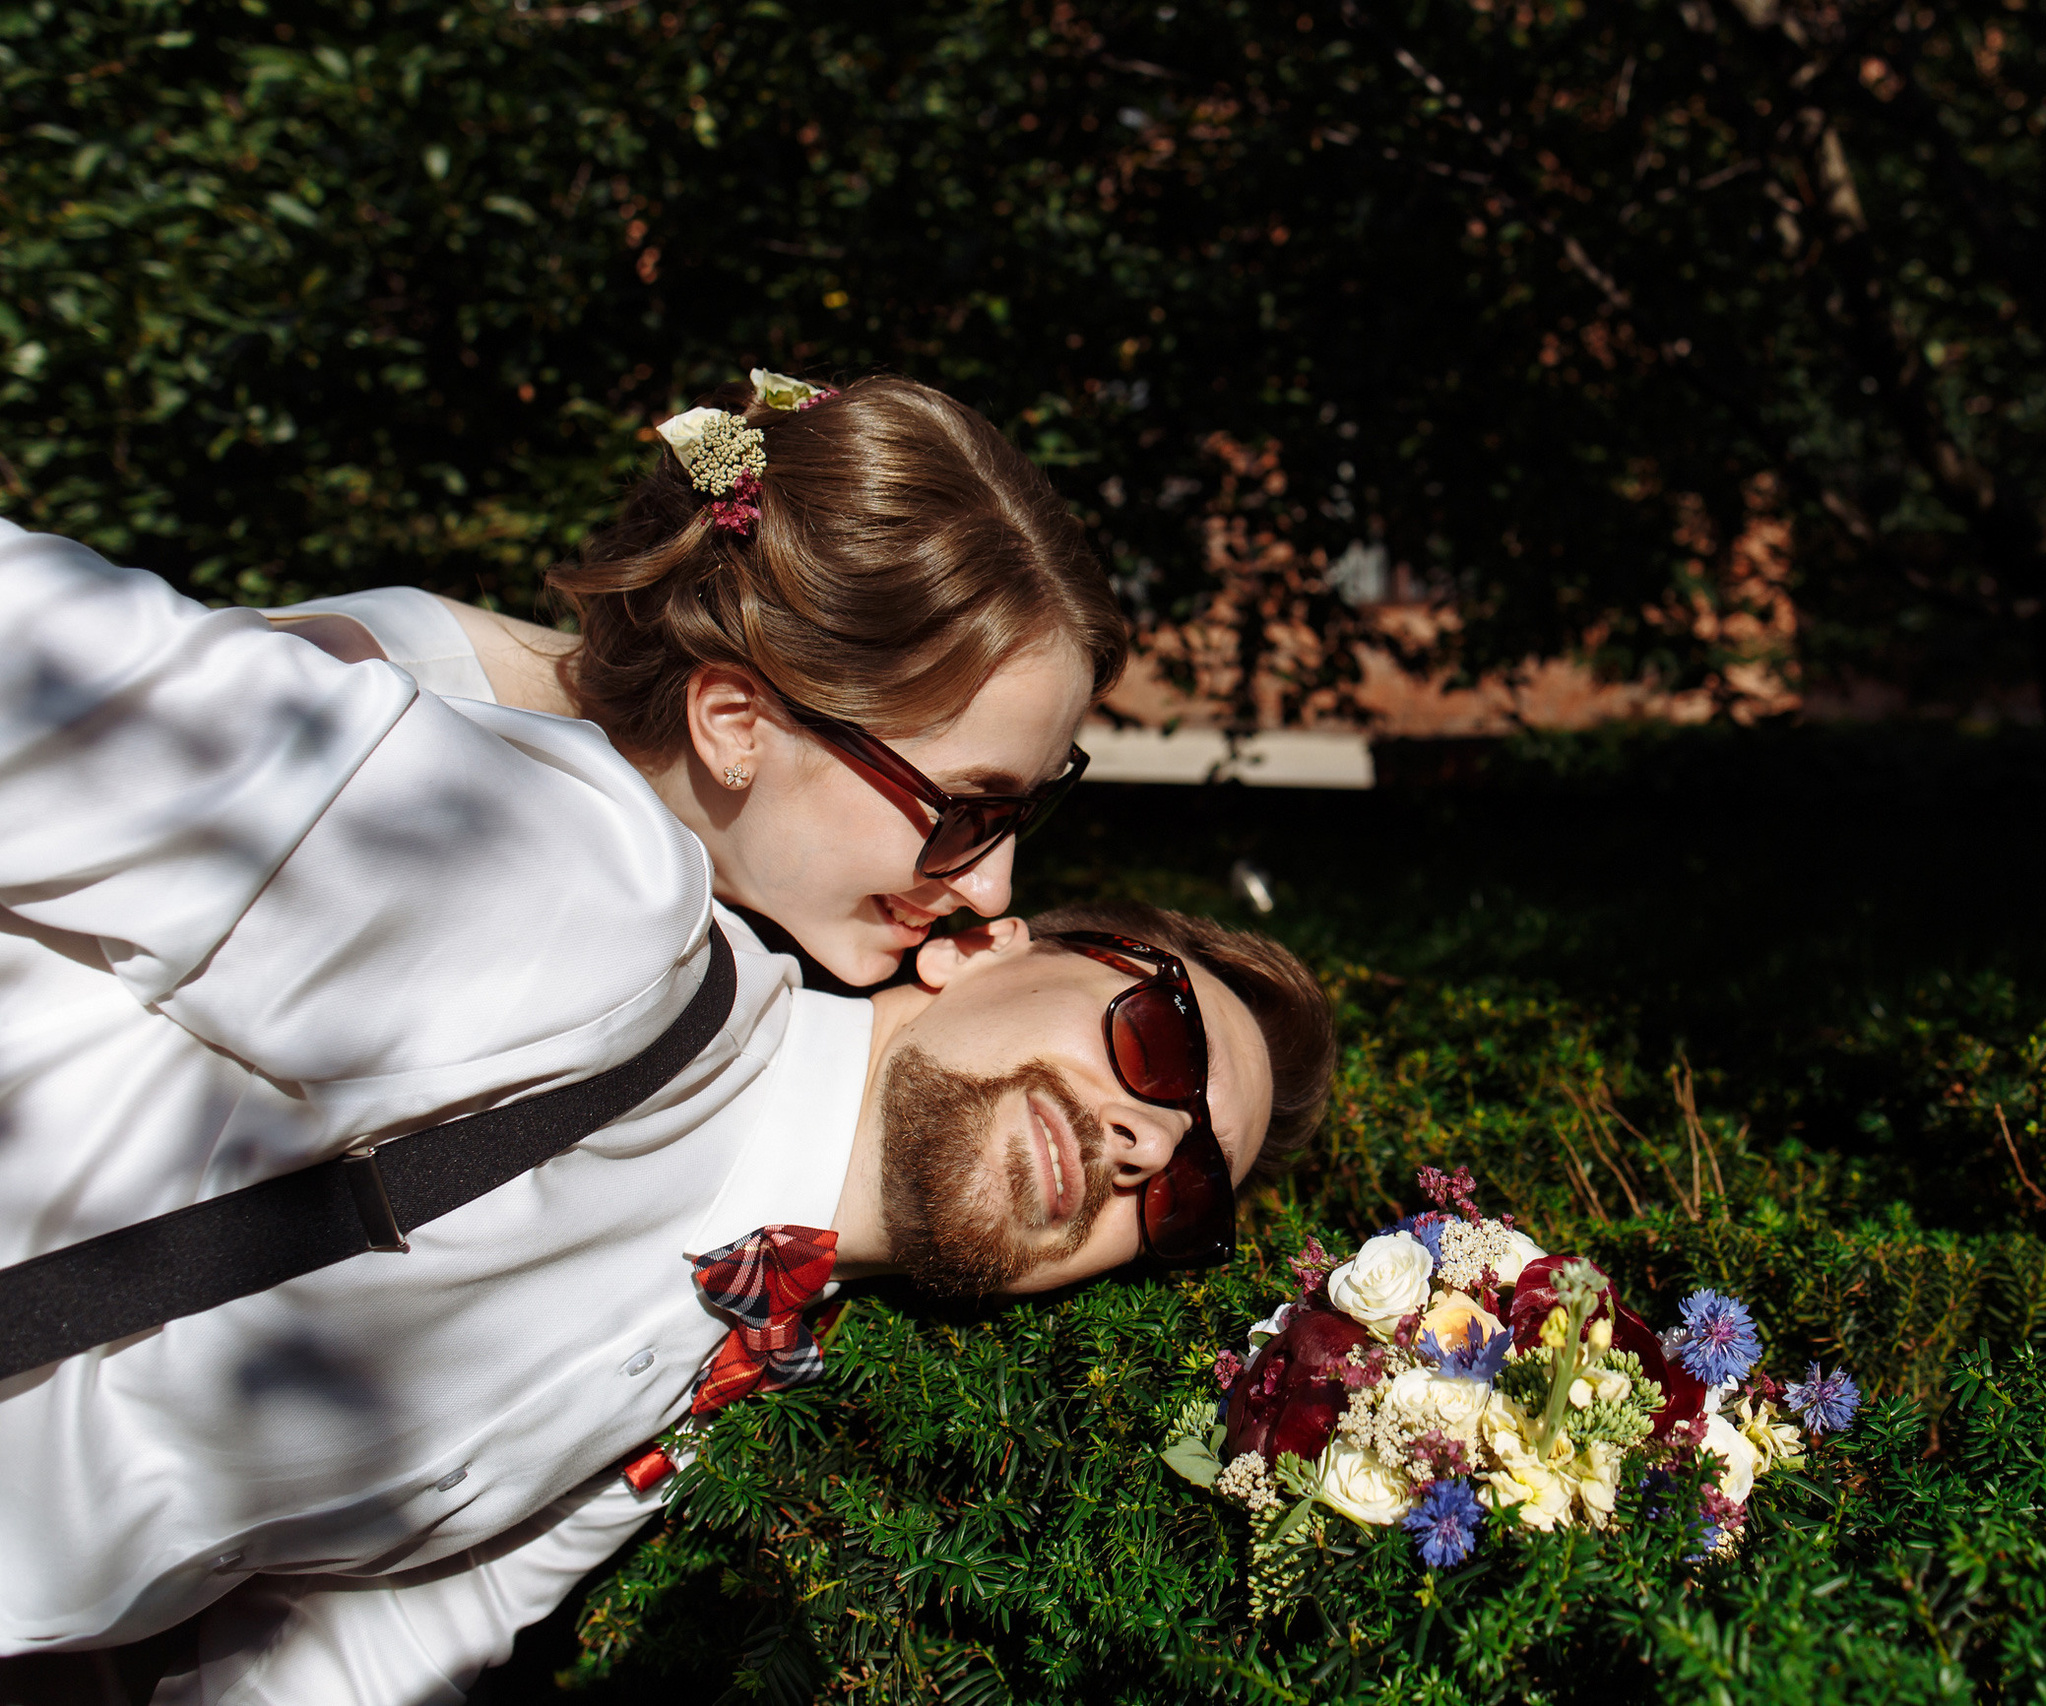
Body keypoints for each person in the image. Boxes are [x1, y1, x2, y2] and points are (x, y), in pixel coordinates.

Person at [0, 509, 1332, 1697]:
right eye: (1157, 1038)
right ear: (988, 944)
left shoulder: (741, 1379)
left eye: (1188, 1190)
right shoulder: (602, 916)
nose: (1146, 1140)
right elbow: (46, 670)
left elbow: (379, 1641)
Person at [267, 369, 1129, 991]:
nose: (993, 889)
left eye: (1023, 812)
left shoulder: (729, 906)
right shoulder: (344, 742)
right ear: (734, 723)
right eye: (965, 811)